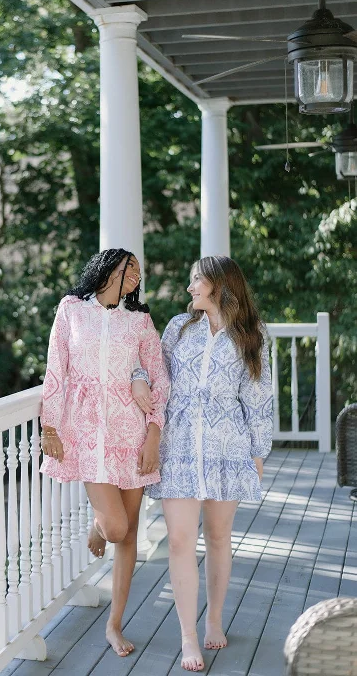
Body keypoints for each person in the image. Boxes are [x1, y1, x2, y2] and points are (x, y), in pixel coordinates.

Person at [132, 255, 273, 672]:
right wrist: (139, 375)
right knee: (178, 540)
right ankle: (187, 637)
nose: (190, 287)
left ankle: (213, 619)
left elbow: (260, 399)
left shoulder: (253, 335)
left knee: (217, 536)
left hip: (228, 449)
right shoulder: (179, 328)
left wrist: (257, 453)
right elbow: (152, 368)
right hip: (177, 449)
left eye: (197, 280)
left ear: (220, 286)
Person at [40, 248, 170, 657]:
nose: (135, 274)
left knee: (129, 533)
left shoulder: (140, 321)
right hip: (85, 432)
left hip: (131, 432)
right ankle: (99, 524)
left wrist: (153, 435)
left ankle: (115, 624)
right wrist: (49, 425)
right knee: (115, 527)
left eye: (138, 270)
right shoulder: (71, 310)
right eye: (128, 266)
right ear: (107, 268)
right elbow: (56, 368)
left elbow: (159, 380)